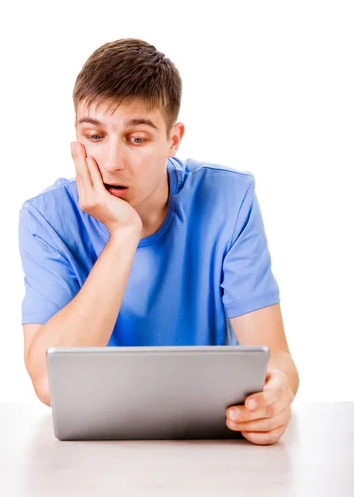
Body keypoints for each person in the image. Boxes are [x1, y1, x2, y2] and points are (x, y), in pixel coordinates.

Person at [19, 38, 299, 445]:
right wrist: (125, 233)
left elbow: (276, 357)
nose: (112, 161)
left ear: (173, 139)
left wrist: (278, 394)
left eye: (137, 139)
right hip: (97, 447)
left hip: (213, 438)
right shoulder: (45, 218)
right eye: (94, 136)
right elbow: (48, 384)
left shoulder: (229, 199)